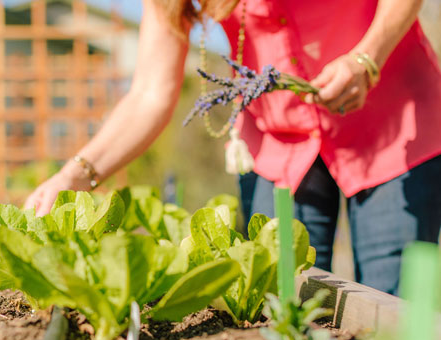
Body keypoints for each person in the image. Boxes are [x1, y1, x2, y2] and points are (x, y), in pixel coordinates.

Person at [24, 0, 441, 296]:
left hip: (393, 124)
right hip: (280, 144)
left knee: (393, 309)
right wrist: (76, 173)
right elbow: (151, 93)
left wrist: (368, 57)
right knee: (285, 299)